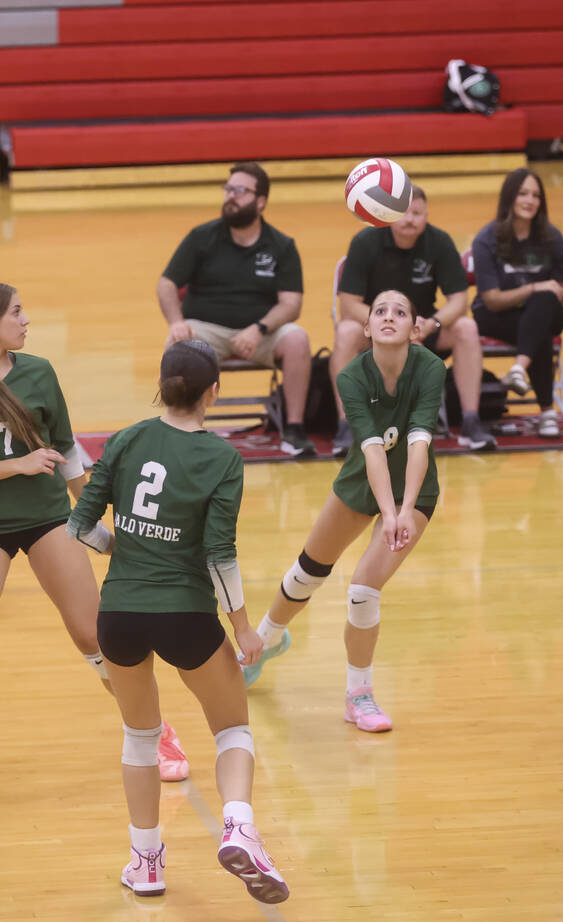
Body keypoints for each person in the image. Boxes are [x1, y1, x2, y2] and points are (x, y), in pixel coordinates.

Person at [0, 282, 190, 794]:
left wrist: (98, 526)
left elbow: (68, 453)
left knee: (99, 640)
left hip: (50, 518)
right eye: (17, 312)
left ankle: (158, 734)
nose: (26, 320)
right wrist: (15, 466)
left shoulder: (40, 372)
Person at [67, 338, 288, 904]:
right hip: (186, 614)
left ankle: (145, 863)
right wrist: (241, 626)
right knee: (233, 729)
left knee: (141, 739)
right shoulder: (221, 458)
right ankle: (238, 825)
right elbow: (219, 554)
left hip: (118, 614)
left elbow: (80, 525)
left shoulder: (126, 439)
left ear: (162, 387)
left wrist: (124, 547)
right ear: (213, 392)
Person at [243, 290, 443, 737]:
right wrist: (385, 511)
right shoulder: (352, 376)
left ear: (415, 329)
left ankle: (359, 696)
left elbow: (419, 443)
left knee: (362, 591)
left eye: (401, 312)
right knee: (307, 572)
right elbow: (372, 452)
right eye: (380, 311)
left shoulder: (429, 368)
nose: (390, 316)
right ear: (366, 328)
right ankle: (265, 641)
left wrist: (405, 511)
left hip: (415, 491)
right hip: (360, 482)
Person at [157, 161, 317, 457]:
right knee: (178, 343)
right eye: (228, 189)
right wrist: (176, 322)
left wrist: (259, 329)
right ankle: (180, 431)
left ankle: (294, 430)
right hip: (206, 329)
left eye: (240, 190)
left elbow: (291, 304)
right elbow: (167, 284)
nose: (231, 196)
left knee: (298, 339)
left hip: (259, 331)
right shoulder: (201, 237)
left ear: (261, 201)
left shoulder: (281, 245)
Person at [334, 184, 496, 455]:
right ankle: (346, 426)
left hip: (422, 330)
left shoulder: (439, 242)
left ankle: (471, 421)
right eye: (404, 212)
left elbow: (458, 300)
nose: (410, 219)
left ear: (427, 215)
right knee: (346, 331)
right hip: (376, 332)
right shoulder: (365, 241)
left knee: (466, 327)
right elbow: (349, 304)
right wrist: (388, 323)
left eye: (418, 213)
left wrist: (432, 323)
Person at [470, 168, 563, 438]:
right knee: (538, 328)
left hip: (541, 313)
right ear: (509, 198)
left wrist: (544, 293)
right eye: (523, 193)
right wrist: (533, 288)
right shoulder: (487, 239)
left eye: (536, 195)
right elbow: (491, 300)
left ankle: (517, 370)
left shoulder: (551, 236)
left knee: (541, 307)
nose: (530, 200)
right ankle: (548, 412)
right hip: (496, 316)